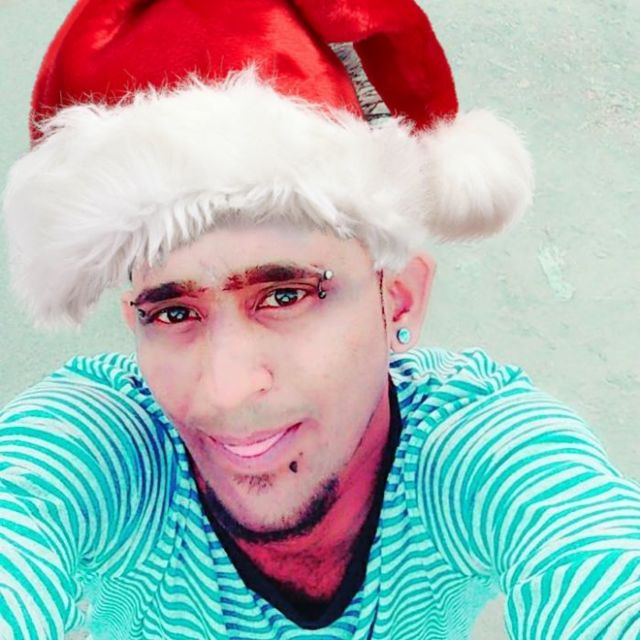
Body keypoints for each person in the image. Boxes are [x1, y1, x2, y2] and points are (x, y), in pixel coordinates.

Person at [1, 1, 639, 639]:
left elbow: (593, 558)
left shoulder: (478, 452)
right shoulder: (100, 450)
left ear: (399, 301)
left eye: (286, 296)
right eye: (174, 312)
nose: (226, 389)